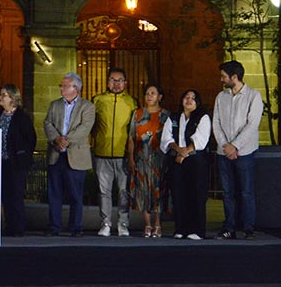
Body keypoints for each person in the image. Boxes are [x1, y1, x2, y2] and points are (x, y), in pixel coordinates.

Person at [212, 60, 263, 240]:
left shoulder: (253, 96)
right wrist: (225, 145)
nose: (221, 79)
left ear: (234, 77)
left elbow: (252, 124)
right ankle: (229, 227)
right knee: (228, 193)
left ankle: (248, 228)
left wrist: (235, 146)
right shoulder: (221, 97)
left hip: (245, 152)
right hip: (223, 152)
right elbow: (216, 123)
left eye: (224, 76)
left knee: (246, 191)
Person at [43, 72, 96, 237]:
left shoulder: (87, 106)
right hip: (56, 154)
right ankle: (54, 227)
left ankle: (75, 227)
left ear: (76, 88)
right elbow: (47, 123)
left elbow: (85, 127)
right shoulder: (54, 105)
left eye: (64, 86)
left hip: (76, 155)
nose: (61, 88)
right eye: (61, 85)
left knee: (75, 194)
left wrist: (66, 140)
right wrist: (56, 139)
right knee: (54, 193)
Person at [90, 68, 136, 237]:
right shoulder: (97, 100)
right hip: (102, 154)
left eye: (120, 80)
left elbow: (134, 130)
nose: (116, 83)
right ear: (107, 81)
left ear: (125, 82)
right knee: (104, 192)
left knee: (124, 192)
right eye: (113, 80)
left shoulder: (132, 102)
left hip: (123, 155)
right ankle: (106, 224)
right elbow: (91, 124)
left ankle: (123, 224)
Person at [161, 89, 211, 240]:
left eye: (193, 98)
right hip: (177, 160)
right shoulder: (174, 117)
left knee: (196, 194)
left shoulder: (203, 117)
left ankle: (197, 230)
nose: (189, 100)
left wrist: (185, 153)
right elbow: (166, 138)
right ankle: (181, 228)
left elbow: (201, 139)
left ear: (198, 102)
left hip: (196, 161)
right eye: (186, 97)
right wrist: (179, 150)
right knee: (178, 194)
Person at [127, 84, 169, 238]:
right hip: (141, 158)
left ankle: (157, 224)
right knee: (143, 191)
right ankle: (147, 224)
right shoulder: (137, 114)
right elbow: (131, 137)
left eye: (153, 93)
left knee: (158, 191)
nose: (149, 96)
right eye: (147, 93)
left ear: (160, 97)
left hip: (159, 159)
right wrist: (131, 157)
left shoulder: (165, 115)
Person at [0, 84, 36, 237]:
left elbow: (30, 138)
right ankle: (9, 225)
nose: (0, 97)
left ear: (12, 98)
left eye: (4, 95)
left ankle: (18, 227)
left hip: (16, 162)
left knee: (16, 194)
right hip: (1, 162)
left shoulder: (21, 117)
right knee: (5, 195)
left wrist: (22, 154)